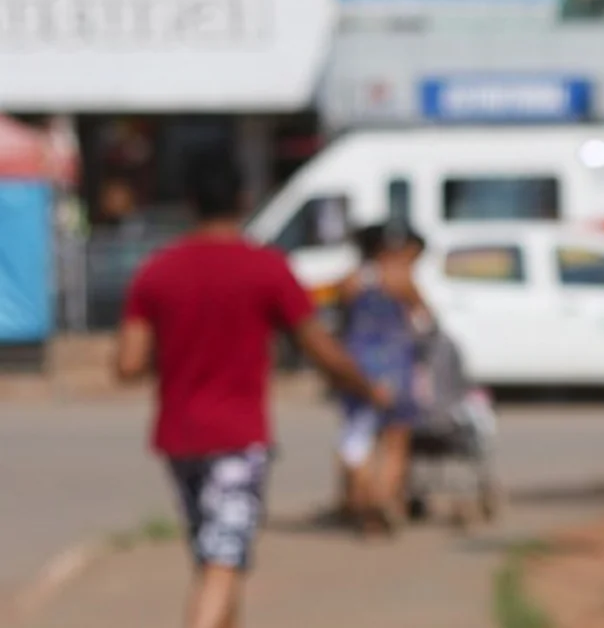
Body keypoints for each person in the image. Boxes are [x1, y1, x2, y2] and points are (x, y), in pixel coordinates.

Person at [115, 145, 390, 628]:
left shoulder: (156, 270)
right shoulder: (266, 268)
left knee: (214, 558)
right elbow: (318, 347)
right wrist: (366, 387)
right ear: (244, 199)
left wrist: (177, 344)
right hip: (237, 439)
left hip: (179, 439)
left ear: (189, 202)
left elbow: (127, 364)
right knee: (223, 562)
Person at [336, 222, 427, 536]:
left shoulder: (348, 281)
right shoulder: (400, 278)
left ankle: (363, 506)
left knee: (357, 439)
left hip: (356, 367)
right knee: (395, 443)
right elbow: (424, 320)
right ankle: (382, 500)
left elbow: (341, 323)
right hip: (396, 365)